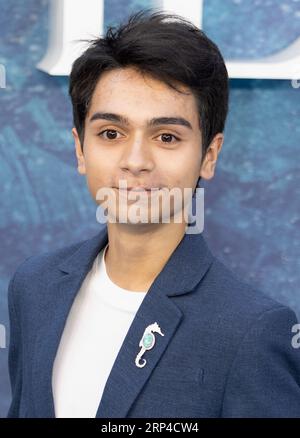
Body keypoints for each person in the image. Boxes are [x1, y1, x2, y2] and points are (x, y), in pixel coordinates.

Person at [7, 9, 300, 418]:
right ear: (79, 148)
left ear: (208, 156)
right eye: (111, 133)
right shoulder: (33, 287)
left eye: (166, 136)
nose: (136, 160)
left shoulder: (250, 330)